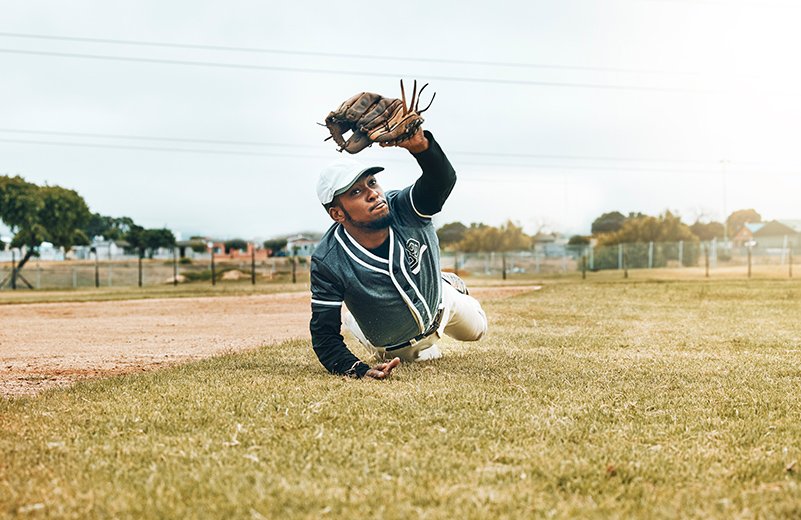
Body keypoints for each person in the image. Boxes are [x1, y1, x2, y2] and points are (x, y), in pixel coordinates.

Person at [310, 128, 488, 379]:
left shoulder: (405, 208)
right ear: (337, 214)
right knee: (424, 357)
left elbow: (441, 180)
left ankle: (444, 281)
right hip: (395, 344)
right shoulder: (328, 260)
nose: (373, 193)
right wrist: (359, 370)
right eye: (356, 192)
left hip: (442, 305)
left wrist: (421, 146)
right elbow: (324, 335)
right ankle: (357, 322)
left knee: (478, 330)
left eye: (371, 183)